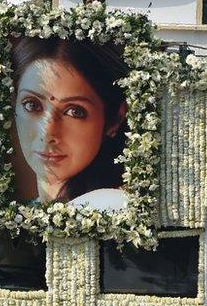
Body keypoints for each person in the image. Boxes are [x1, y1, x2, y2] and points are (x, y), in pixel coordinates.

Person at [9, 37, 129, 206]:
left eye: (75, 111)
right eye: (32, 105)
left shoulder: (114, 208)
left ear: (114, 120)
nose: (48, 133)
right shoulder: (30, 211)